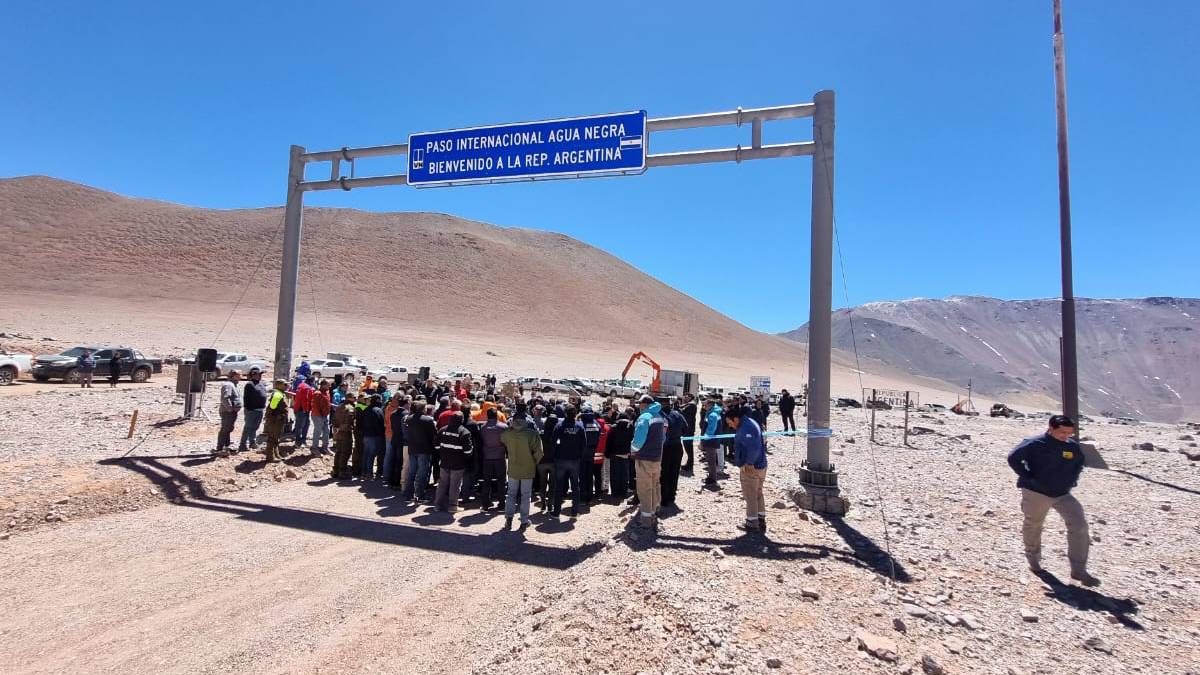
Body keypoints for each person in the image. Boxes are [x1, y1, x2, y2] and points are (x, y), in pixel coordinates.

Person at [1007, 415, 1099, 586]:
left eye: (1070, 433)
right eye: (1062, 432)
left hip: (1062, 494)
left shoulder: (1072, 447)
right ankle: (1034, 560)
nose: (1066, 436)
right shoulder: (1034, 443)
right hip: (1036, 493)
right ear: (1051, 428)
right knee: (1034, 525)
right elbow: (1013, 458)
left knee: (1079, 526)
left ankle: (1079, 570)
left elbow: (1078, 463)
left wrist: (1072, 480)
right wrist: (1029, 477)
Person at [727, 406, 768, 533]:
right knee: (758, 493)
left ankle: (752, 522)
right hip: (761, 465)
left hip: (752, 468)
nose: (730, 426)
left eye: (730, 422)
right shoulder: (750, 422)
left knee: (750, 495)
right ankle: (761, 519)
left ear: (735, 419)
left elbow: (753, 448)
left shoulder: (745, 428)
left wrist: (749, 463)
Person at [501, 411, 543, 530]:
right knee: (526, 495)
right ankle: (524, 521)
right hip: (527, 469)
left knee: (511, 494)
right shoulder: (532, 434)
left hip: (513, 468)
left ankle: (509, 519)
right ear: (526, 420)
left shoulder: (507, 433)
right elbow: (539, 452)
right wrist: (533, 462)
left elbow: (502, 439)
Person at [629, 395, 665, 528]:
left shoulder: (644, 417)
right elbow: (663, 438)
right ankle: (655, 510)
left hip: (644, 458)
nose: (638, 406)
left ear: (645, 404)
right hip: (656, 457)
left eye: (640, 404)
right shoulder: (659, 417)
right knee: (655, 485)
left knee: (645, 488)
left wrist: (632, 450)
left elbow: (638, 440)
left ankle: (646, 519)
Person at [434, 412, 473, 512]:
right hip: (458, 464)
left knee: (442, 484)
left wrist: (443, 454)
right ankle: (453, 506)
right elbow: (468, 451)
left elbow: (436, 446)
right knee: (455, 485)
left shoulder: (443, 430)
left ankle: (437, 505)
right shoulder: (464, 432)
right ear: (462, 420)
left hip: (444, 462)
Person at [551, 405, 586, 519]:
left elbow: (553, 441)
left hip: (561, 459)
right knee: (575, 486)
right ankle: (574, 512)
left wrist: (557, 452)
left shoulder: (560, 425)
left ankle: (556, 512)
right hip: (574, 460)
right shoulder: (579, 426)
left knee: (559, 486)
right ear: (575, 414)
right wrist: (579, 455)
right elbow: (584, 444)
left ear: (565, 413)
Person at [402, 400, 437, 504]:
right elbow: (433, 434)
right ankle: (420, 495)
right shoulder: (428, 420)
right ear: (423, 409)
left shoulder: (408, 419)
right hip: (424, 449)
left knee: (412, 472)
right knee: (422, 473)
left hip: (412, 448)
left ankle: (408, 495)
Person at [478, 408, 509, 510]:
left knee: (486, 481)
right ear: (497, 416)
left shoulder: (483, 427)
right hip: (500, 457)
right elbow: (506, 442)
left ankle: (485, 503)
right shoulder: (503, 427)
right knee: (501, 481)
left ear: (488, 416)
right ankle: (501, 503)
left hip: (487, 457)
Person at [660, 400, 687, 510]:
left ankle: (664, 498)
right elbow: (685, 428)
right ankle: (672, 495)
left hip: (666, 447)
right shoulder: (678, 414)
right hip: (677, 446)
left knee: (664, 472)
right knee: (674, 472)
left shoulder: (660, 415)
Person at [605, 406, 635, 500]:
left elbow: (609, 441)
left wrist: (607, 453)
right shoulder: (631, 427)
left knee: (615, 474)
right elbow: (633, 440)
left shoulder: (613, 427)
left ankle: (615, 492)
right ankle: (623, 492)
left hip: (614, 453)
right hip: (626, 454)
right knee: (624, 474)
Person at [238, 367, 268, 452]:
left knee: (255, 427)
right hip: (251, 410)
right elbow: (246, 398)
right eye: (258, 374)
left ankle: (252, 442)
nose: (260, 376)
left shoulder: (261, 383)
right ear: (253, 375)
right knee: (248, 427)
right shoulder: (250, 384)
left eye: (260, 374)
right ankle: (242, 444)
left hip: (260, 409)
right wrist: (249, 409)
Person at [262, 379, 290, 462]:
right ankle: (270, 457)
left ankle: (276, 454)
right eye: (285, 385)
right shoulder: (277, 394)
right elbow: (273, 407)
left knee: (276, 437)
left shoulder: (281, 393)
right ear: (279, 385)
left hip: (278, 420)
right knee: (272, 438)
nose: (287, 386)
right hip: (275, 420)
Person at [215, 370, 242, 456]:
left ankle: (227, 447)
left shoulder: (234, 385)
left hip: (232, 412)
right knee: (225, 429)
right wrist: (230, 409)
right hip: (227, 412)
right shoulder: (228, 385)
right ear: (233, 376)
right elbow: (225, 398)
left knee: (228, 429)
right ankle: (220, 448)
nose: (240, 377)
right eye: (238, 375)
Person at [331, 392, 357, 479]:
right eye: (354, 397)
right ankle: (342, 471)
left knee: (338, 451)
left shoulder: (339, 407)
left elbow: (334, 420)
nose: (355, 399)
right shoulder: (350, 407)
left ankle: (336, 470)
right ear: (350, 398)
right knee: (346, 452)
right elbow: (351, 419)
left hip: (338, 431)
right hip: (346, 432)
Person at [361, 395, 385, 480]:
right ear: (378, 400)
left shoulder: (365, 409)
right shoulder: (378, 410)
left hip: (366, 435)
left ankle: (364, 473)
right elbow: (381, 423)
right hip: (375, 436)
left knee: (366, 455)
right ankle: (369, 474)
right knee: (371, 456)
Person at [292, 377, 315, 448]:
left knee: (300, 425)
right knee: (303, 426)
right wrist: (306, 409)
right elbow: (305, 400)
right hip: (303, 410)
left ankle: (300, 441)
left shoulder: (301, 385)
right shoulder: (307, 388)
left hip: (298, 408)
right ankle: (299, 441)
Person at [311, 380, 332, 455]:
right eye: (328, 385)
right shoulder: (317, 393)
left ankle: (325, 447)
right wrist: (320, 414)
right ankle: (314, 448)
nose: (329, 386)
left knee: (326, 431)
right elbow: (315, 406)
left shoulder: (327, 393)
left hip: (325, 415)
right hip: (318, 416)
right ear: (323, 385)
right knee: (317, 432)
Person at [680, 393, 698, 472]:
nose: (685, 397)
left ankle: (690, 465)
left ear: (690, 397)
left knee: (688, 448)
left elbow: (681, 411)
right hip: (688, 429)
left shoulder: (692, 405)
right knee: (687, 447)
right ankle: (689, 464)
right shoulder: (689, 404)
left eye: (686, 396)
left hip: (689, 429)